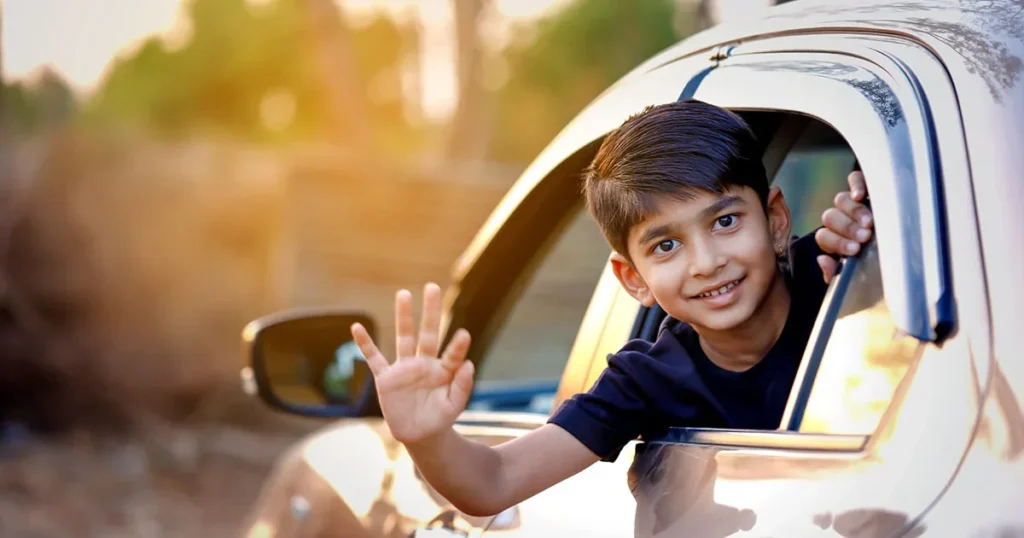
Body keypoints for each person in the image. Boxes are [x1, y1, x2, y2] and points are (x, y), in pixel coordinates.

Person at [350, 100, 875, 517]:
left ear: (776, 219)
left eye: (724, 222)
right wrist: (427, 438)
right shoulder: (647, 379)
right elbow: (493, 483)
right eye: (666, 246)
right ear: (633, 279)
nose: (706, 262)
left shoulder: (840, 269)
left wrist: (878, 237)